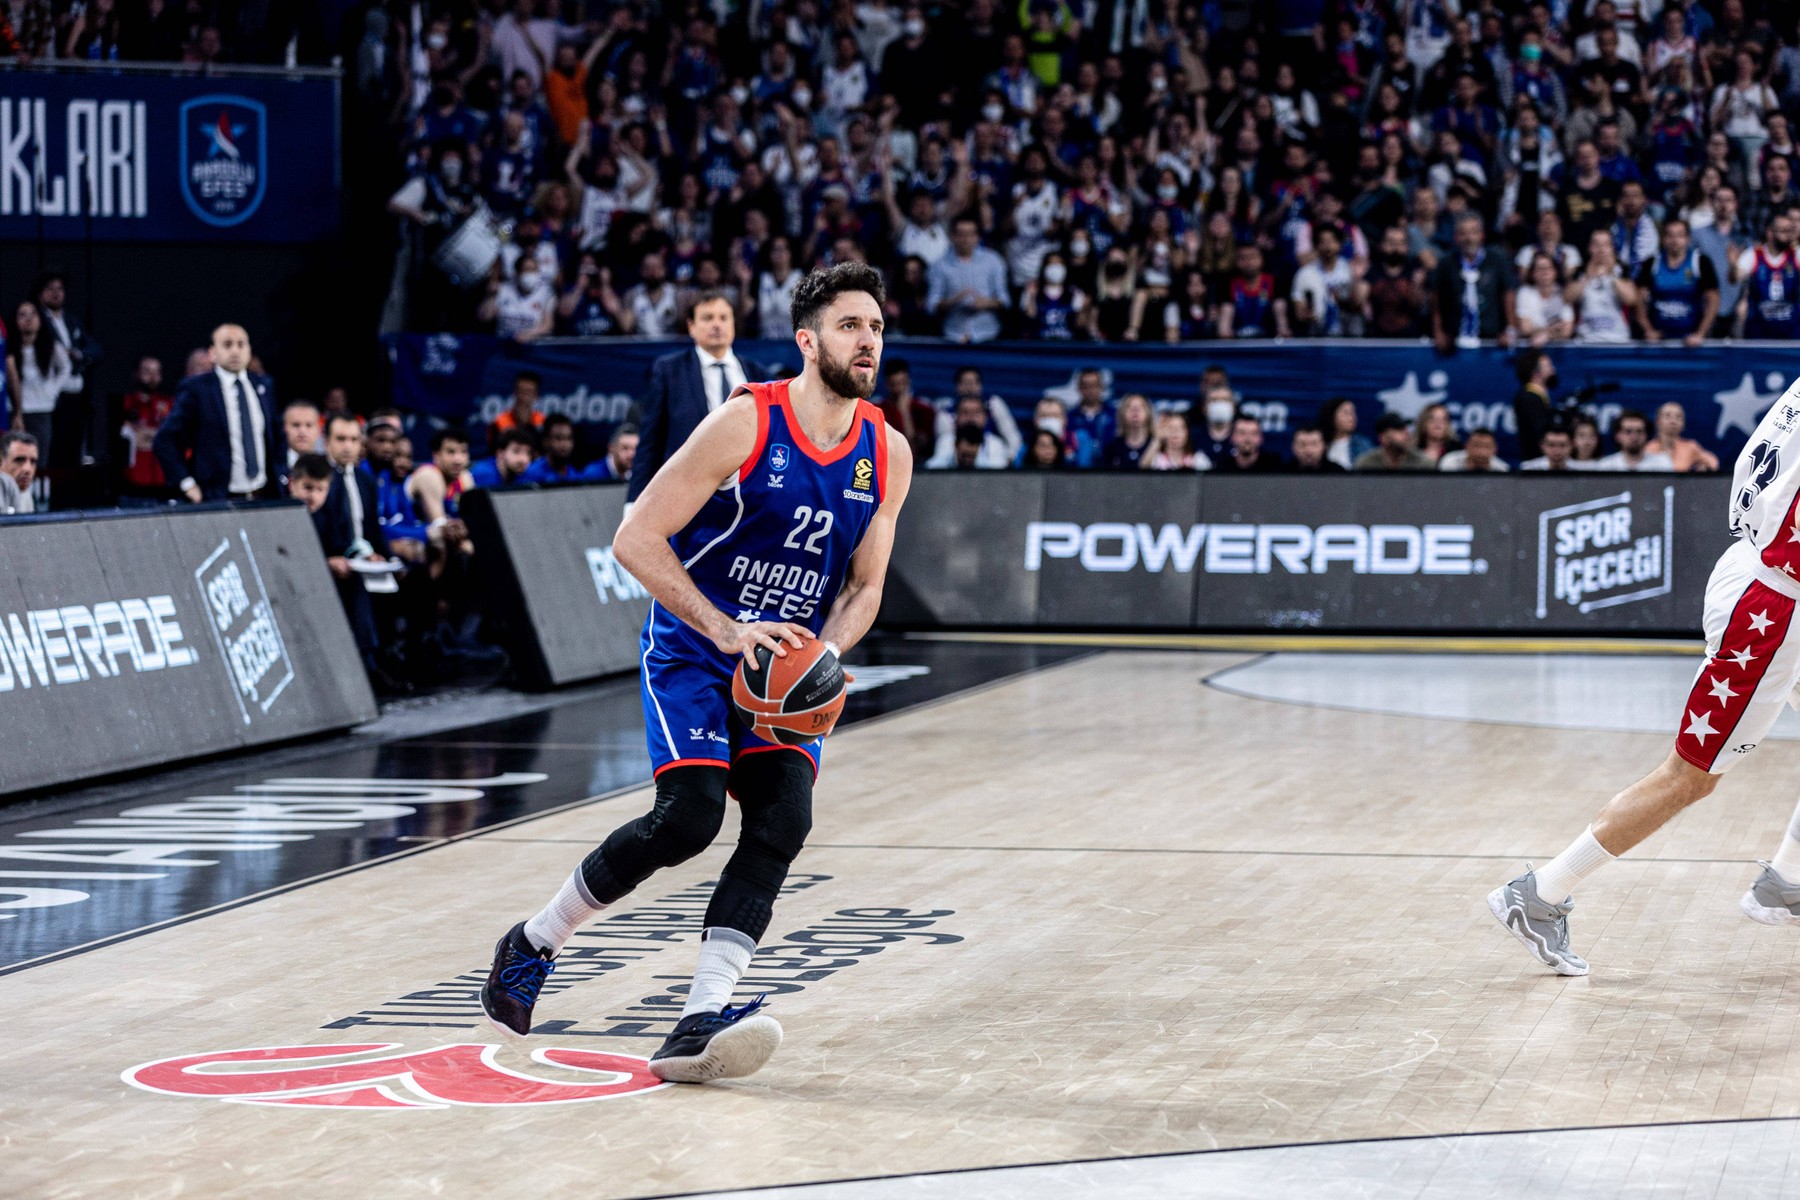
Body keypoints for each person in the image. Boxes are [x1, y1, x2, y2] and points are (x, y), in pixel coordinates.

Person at [478, 262, 913, 1086]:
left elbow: (864, 589)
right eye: (852, 326)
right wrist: (724, 626)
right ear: (808, 339)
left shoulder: (886, 453)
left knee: (783, 820)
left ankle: (698, 1018)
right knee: (688, 818)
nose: (869, 341)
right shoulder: (746, 423)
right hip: (695, 646)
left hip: (782, 671)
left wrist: (825, 654)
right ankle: (533, 942)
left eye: (878, 328)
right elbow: (636, 537)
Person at [1487, 372, 1800, 977]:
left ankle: (1785, 880)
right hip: (1772, 608)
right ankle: (1539, 894)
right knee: (1690, 776)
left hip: (1756, 565)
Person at [629, 290, 769, 504]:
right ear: (691, 326)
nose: (717, 324)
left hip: (748, 492)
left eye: (723, 318)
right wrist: (634, 502)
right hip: (688, 495)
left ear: (733, 324)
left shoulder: (758, 375)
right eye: (707, 318)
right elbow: (650, 442)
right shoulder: (669, 371)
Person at [153, 324, 281, 503]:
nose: (235, 351)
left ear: (249, 350)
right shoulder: (197, 389)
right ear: (212, 353)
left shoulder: (264, 386)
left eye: (241, 344)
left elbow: (277, 435)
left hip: (263, 496)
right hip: (217, 498)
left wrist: (282, 474)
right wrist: (186, 483)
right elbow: (165, 440)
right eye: (227, 345)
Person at [1432, 214, 1518, 352]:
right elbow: (1437, 298)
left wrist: (1510, 329)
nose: (1469, 238)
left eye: (1473, 232)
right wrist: (1438, 331)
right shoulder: (1446, 263)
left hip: (1492, 339)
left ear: (1482, 235)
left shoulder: (1497, 260)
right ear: (1456, 237)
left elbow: (1508, 293)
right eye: (1463, 233)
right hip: (1454, 340)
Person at [925, 217, 1011, 343]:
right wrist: (953, 301)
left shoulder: (994, 261)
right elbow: (931, 305)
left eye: (970, 234)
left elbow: (1005, 300)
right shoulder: (940, 265)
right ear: (952, 236)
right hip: (953, 334)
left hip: (987, 334)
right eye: (961, 234)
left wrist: (987, 303)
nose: (965, 239)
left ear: (977, 237)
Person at [1636, 218, 1720, 344]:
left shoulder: (1700, 262)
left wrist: (1700, 334)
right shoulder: (1652, 263)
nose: (1675, 240)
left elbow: (1713, 299)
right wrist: (1648, 330)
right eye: (1670, 235)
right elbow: (1638, 300)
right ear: (1663, 239)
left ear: (1687, 238)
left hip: (1691, 341)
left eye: (1680, 235)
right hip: (1659, 341)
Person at [119, 356, 174, 499]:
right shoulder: (125, 403)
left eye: (157, 372)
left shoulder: (169, 404)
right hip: (133, 483)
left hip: (163, 482)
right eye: (147, 372)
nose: (152, 377)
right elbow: (129, 441)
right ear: (136, 374)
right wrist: (156, 436)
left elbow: (171, 440)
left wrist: (149, 436)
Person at [1569, 228, 1638, 342]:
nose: (1601, 250)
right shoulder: (1580, 271)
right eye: (1597, 245)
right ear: (1590, 248)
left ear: (1612, 248)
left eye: (1606, 245)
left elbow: (1631, 299)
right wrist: (1588, 277)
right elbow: (1568, 297)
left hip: (1617, 339)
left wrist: (1611, 275)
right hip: (1586, 340)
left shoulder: (1622, 271)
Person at [876, 358, 936, 464]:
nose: (899, 389)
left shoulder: (924, 410)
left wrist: (904, 412)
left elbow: (916, 448)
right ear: (887, 384)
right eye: (894, 384)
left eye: (902, 383)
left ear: (909, 381)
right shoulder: (877, 410)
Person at [1062, 367, 1116, 469]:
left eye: (1094, 385)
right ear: (1079, 388)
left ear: (1102, 387)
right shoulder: (1070, 417)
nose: (1090, 390)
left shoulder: (1113, 414)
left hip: (1108, 469)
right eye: (1086, 386)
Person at [1646, 401, 1721, 472]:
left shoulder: (1690, 447)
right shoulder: (1648, 448)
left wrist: (1705, 467)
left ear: (1683, 424)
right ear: (1658, 421)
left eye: (1678, 417)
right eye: (1667, 416)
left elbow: (1713, 462)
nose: (1673, 421)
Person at [1597, 410, 1675, 470]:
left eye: (1639, 431)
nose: (1634, 436)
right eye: (1628, 431)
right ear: (1618, 436)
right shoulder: (1605, 466)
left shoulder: (1662, 463)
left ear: (1646, 435)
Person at [1356, 412, 1435, 470]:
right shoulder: (1366, 465)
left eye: (1406, 429)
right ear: (1383, 437)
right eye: (1399, 429)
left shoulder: (1423, 464)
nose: (1407, 433)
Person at [1099, 394, 1157, 469]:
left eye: (1141, 407)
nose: (1135, 411)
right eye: (1129, 407)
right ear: (1122, 414)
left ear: (1149, 414)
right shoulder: (1111, 447)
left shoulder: (1156, 444)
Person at [1217, 413, 1286, 472]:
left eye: (1253, 434)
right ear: (1232, 437)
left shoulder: (1274, 467)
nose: (1248, 439)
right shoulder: (1222, 469)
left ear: (1261, 438)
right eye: (1242, 433)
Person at [471, 427, 537, 488]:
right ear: (500, 454)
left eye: (528, 453)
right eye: (516, 451)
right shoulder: (483, 474)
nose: (523, 459)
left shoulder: (528, 474)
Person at [521, 415, 581, 482]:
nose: (564, 444)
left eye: (568, 438)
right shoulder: (531, 473)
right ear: (545, 441)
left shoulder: (573, 473)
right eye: (558, 438)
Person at [1319, 396, 1373, 470]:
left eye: (1353, 413)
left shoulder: (1362, 443)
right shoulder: (1320, 442)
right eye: (1346, 413)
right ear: (1332, 415)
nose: (1352, 418)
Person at [1145, 412, 1210, 471]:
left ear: (1187, 433)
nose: (1175, 432)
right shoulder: (1156, 459)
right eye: (1171, 428)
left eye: (1180, 428)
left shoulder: (1198, 459)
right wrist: (1158, 440)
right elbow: (1142, 472)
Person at [0, 430, 38, 513]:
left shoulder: (26, 495)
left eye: (33, 462)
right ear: (1, 462)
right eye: (19, 460)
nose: (27, 469)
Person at [1438, 428, 1509, 471]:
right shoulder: (1450, 462)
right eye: (1476, 446)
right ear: (1467, 446)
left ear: (1494, 449)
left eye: (1486, 447)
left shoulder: (1502, 469)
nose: (1481, 452)